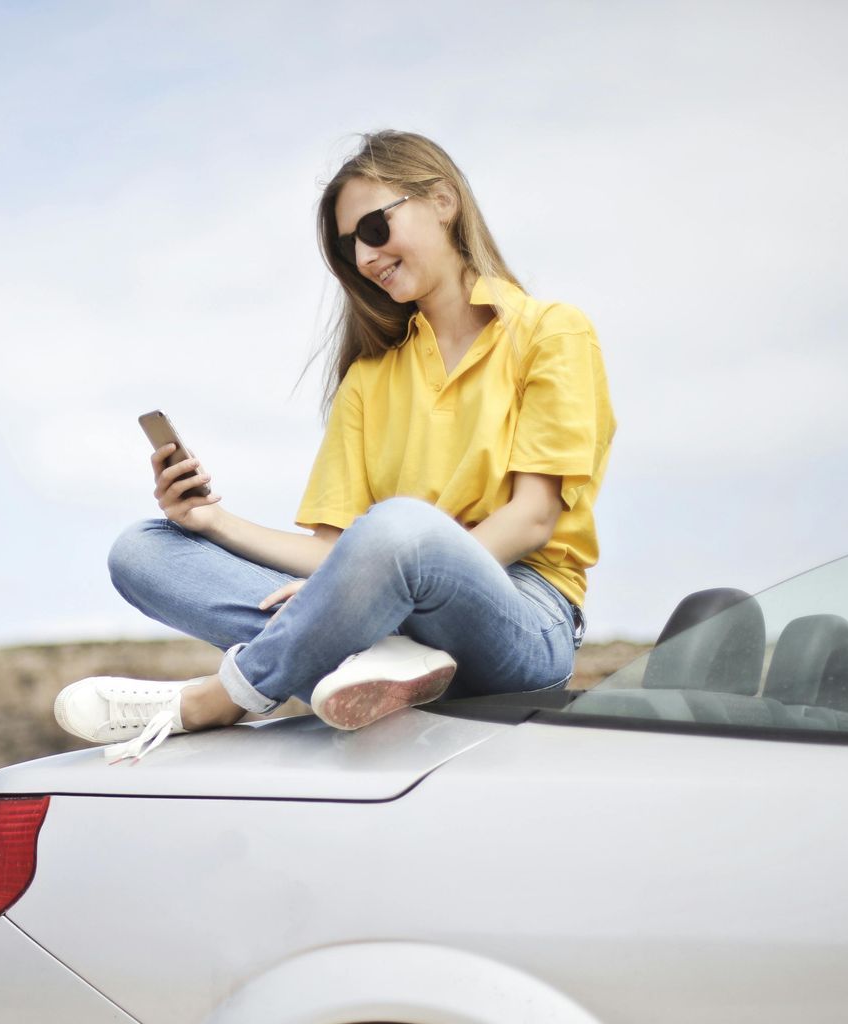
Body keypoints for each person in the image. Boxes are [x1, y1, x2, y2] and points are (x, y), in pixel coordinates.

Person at [56, 130, 615, 762]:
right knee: (142, 550)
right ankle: (372, 657)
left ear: (442, 201)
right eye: (350, 248)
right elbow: (332, 552)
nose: (366, 256)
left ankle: (220, 698)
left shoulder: (552, 332)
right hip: (386, 612)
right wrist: (211, 521)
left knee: (403, 528)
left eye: (374, 228)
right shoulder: (369, 379)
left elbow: (533, 517)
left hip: (521, 613)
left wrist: (370, 584)